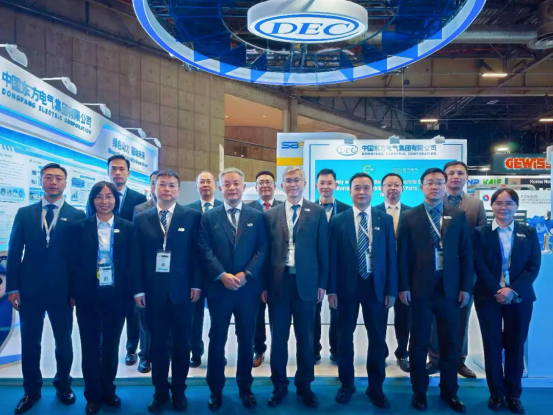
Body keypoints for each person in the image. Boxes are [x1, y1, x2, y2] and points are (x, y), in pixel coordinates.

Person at [6, 163, 85, 414]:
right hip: (30, 290)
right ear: (40, 181)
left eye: (58, 178)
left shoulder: (77, 215)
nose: (53, 182)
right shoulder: (25, 213)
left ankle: (63, 385)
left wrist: (76, 290)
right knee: (30, 342)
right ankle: (31, 390)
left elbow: (79, 258)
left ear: (65, 183)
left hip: (63, 291)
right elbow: (14, 252)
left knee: (64, 341)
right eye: (48, 177)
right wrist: (12, 288)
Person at [397, 167, 473, 413]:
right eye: (430, 182)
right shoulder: (409, 216)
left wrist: (465, 287)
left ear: (445, 186)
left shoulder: (458, 216)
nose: (435, 187)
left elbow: (466, 254)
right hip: (419, 290)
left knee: (449, 343)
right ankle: (419, 391)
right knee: (418, 342)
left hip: (450, 290)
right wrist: (403, 286)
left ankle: (449, 392)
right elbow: (402, 255)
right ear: (421, 187)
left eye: (439, 182)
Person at [132, 170, 202, 413]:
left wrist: (196, 284)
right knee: (157, 346)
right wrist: (138, 290)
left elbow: (197, 254)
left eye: (172, 185)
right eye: (162, 184)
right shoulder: (142, 218)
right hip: (152, 294)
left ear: (179, 190)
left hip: (183, 292)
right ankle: (160, 392)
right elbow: (136, 257)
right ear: (154, 188)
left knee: (182, 345)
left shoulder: (192, 216)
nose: (167, 189)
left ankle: (179, 391)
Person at [199, 168, 267, 410]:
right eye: (226, 184)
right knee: (217, 339)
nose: (231, 188)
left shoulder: (256, 215)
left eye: (236, 183)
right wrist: (222, 275)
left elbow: (262, 249)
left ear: (244, 186)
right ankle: (215, 389)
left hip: (248, 290)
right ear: (220, 188)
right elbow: (204, 249)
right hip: (219, 289)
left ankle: (245, 387)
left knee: (246, 339)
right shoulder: (209, 217)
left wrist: (246, 274)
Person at [328, 172, 397, 408]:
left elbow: (391, 256)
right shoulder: (338, 220)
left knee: (377, 337)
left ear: (373, 191)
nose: (361, 192)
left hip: (376, 287)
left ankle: (375, 387)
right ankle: (346, 384)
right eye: (357, 188)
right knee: (343, 337)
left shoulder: (383, 219)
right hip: (346, 288)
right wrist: (331, 290)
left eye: (366, 188)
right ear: (349, 191)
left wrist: (391, 290)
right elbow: (332, 257)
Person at [263, 166, 329, 408]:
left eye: (297, 180)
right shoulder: (270, 215)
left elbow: (323, 250)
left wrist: (322, 283)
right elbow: (265, 253)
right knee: (278, 338)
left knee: (306, 338)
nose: (293, 184)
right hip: (278, 285)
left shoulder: (317, 212)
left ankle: (305, 385)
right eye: (288, 180)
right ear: (282, 185)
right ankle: (279, 385)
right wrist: (264, 286)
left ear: (305, 184)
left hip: (307, 285)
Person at [473, 189, 541, 414]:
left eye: (509, 203)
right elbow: (478, 264)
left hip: (520, 298)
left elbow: (533, 266)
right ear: (492, 206)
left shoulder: (528, 232)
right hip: (488, 297)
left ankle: (513, 394)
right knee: (492, 345)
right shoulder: (480, 233)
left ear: (516, 206)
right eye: (499, 203)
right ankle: (496, 394)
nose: (504, 207)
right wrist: (498, 290)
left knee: (515, 345)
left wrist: (512, 290)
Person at [68, 182, 133, 415]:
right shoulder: (79, 227)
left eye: (109, 196)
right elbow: (71, 263)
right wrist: (72, 292)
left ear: (116, 200)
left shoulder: (128, 228)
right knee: (90, 345)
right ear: (92, 200)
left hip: (117, 295)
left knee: (111, 345)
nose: (104, 201)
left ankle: (108, 390)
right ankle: (92, 395)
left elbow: (133, 263)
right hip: (88, 294)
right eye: (99, 197)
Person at [427, 160, 487, 378]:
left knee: (462, 316)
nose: (455, 177)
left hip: (464, 271)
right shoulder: (433, 200)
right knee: (434, 317)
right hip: (435, 271)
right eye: (451, 173)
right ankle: (434, 358)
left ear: (466, 177)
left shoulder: (476, 204)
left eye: (460, 173)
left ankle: (459, 359)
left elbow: (481, 239)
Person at [87, 155, 147, 368]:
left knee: (132, 313)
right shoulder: (97, 195)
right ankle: (102, 348)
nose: (117, 173)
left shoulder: (139, 198)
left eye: (122, 169)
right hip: (101, 269)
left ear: (128, 172)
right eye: (113, 169)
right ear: (108, 171)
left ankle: (131, 349)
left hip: (126, 266)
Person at [375, 173, 412, 373]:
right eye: (388, 185)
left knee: (404, 316)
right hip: (381, 273)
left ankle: (402, 352)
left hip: (405, 273)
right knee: (379, 315)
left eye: (396, 185)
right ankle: (380, 351)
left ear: (403, 188)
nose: (392, 188)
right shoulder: (373, 212)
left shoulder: (411, 213)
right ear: (381, 189)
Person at [186, 171, 223, 369]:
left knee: (219, 317)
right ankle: (195, 351)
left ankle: (218, 353)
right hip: (195, 271)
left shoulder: (223, 208)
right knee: (195, 316)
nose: (205, 185)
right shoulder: (187, 211)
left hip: (219, 271)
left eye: (209, 181)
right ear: (197, 186)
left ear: (215, 185)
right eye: (202, 182)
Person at [247, 170, 282, 368]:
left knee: (278, 314)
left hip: (278, 270)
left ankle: (278, 350)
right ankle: (258, 349)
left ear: (275, 186)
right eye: (261, 182)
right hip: (256, 271)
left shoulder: (283, 208)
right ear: (256, 187)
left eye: (268, 182)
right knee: (257, 315)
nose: (265, 185)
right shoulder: (248, 210)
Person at [314, 168, 350, 364]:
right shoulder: (308, 209)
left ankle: (337, 349)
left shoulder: (347, 210)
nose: (326, 187)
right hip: (315, 269)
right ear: (316, 185)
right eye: (322, 183)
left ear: (336, 185)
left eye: (330, 183)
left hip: (340, 269)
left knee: (338, 311)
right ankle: (314, 350)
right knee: (313, 311)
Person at [133, 170, 159, 374]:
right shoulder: (140, 210)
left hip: (169, 276)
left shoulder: (183, 213)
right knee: (145, 319)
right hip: (148, 273)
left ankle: (162, 353)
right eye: (155, 183)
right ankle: (144, 355)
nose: (161, 188)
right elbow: (136, 247)